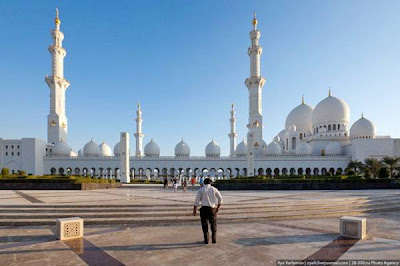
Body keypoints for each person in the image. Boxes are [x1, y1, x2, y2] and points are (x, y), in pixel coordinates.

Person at [193, 178, 223, 244]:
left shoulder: (201, 190)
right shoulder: (214, 189)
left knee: (204, 224)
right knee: (213, 224)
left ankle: (206, 240)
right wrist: (218, 207)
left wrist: (194, 210)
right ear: (210, 183)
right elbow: (220, 198)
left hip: (203, 209)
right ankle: (214, 239)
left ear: (204, 183)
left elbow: (196, 201)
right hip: (212, 209)